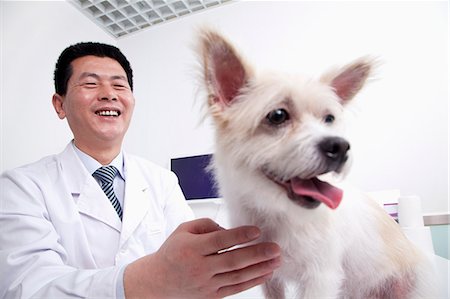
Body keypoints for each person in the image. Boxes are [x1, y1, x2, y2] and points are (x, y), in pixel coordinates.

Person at [0, 42, 281, 298]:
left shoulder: (162, 180)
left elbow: (194, 270)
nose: (109, 95)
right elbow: (28, 288)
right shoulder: (21, 187)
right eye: (90, 84)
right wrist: (145, 281)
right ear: (60, 105)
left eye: (119, 86)